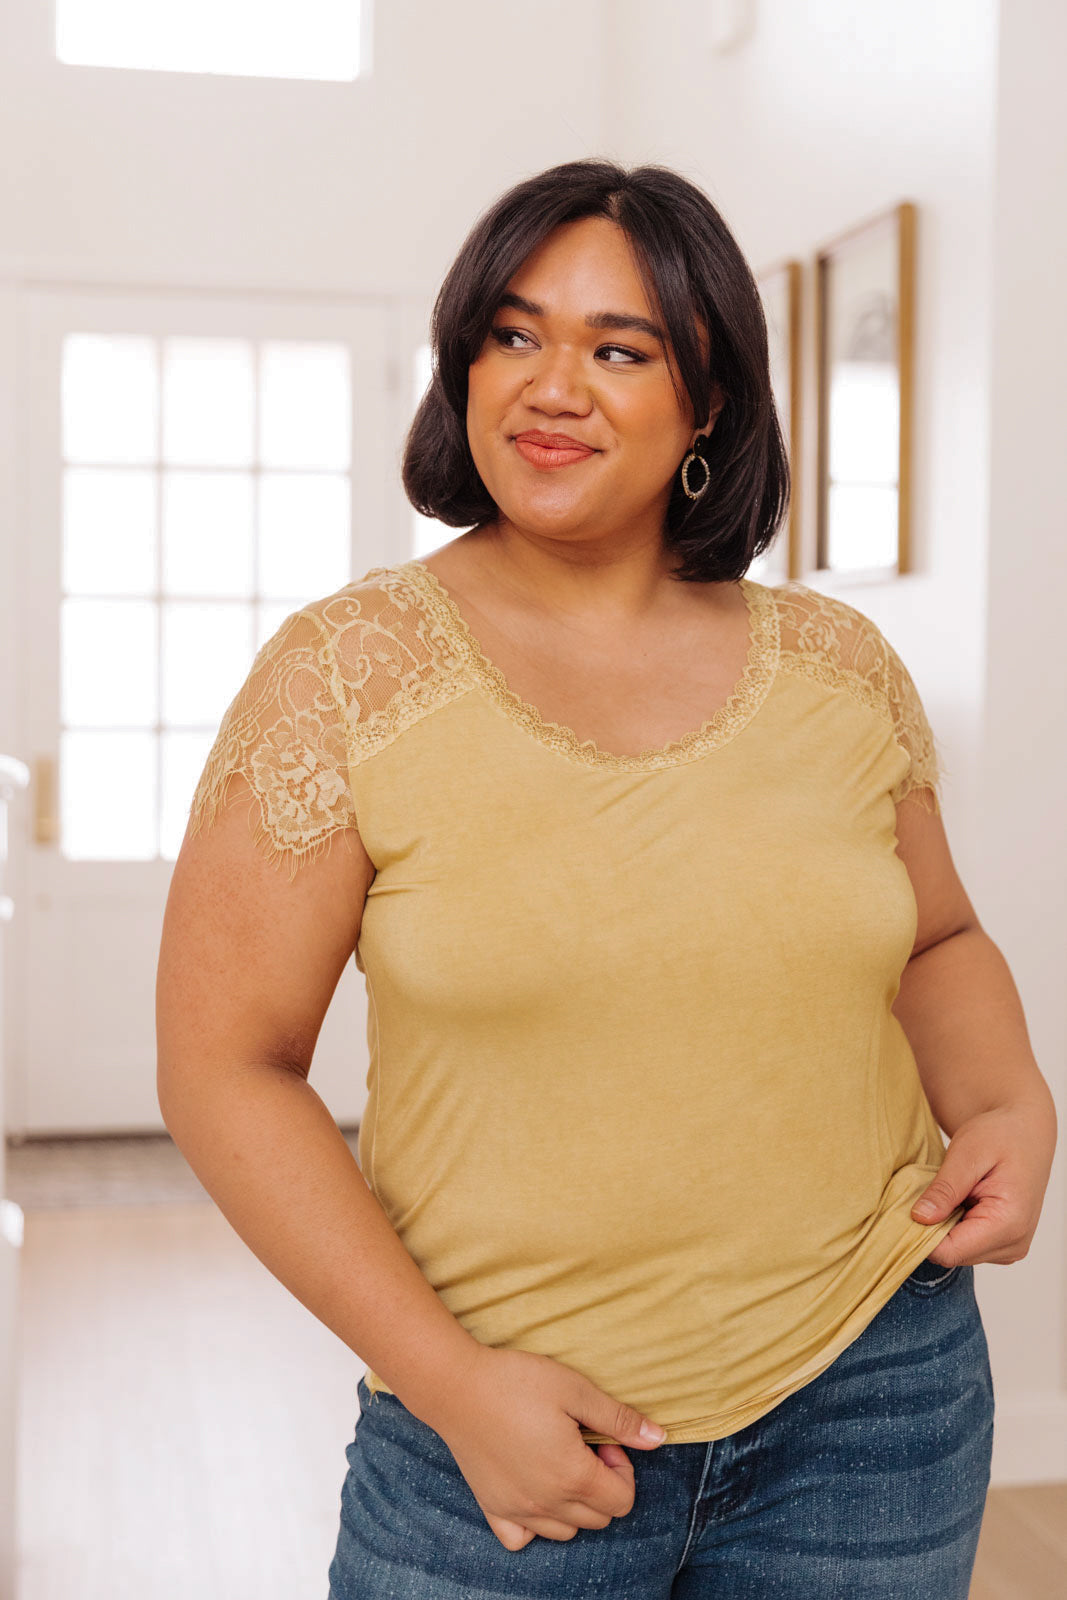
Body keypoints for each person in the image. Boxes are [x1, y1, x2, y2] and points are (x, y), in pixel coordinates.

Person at [156, 159, 1057, 1599]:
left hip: (875, 1400)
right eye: (512, 337)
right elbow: (224, 1067)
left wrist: (1011, 1100)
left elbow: (936, 937)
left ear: (707, 403)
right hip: (497, 1444)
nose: (549, 386)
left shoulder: (840, 670)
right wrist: (450, 1384)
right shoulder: (343, 677)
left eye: (616, 350)